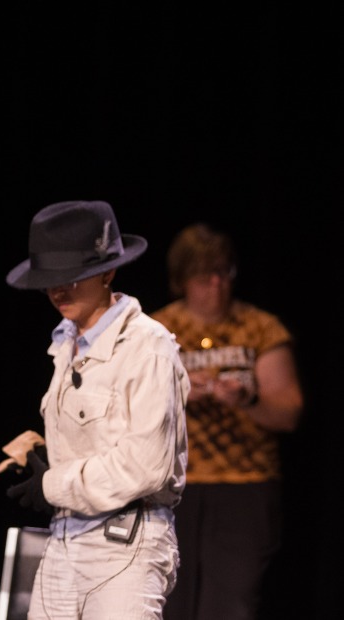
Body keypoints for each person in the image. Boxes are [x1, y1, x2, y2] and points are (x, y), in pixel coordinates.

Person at [0, 200, 190, 619]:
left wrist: (52, 484)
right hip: (64, 540)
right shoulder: (66, 344)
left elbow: (145, 465)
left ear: (107, 272)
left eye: (72, 277)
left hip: (127, 542)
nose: (57, 290)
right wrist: (50, 459)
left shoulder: (147, 346)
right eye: (50, 280)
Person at [150, 222, 303, 620]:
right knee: (167, 600)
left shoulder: (259, 327)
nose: (216, 285)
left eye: (224, 274)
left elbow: (288, 412)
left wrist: (246, 398)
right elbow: (126, 408)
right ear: (182, 279)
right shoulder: (156, 331)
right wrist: (179, 393)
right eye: (204, 276)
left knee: (230, 605)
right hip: (172, 485)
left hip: (244, 486)